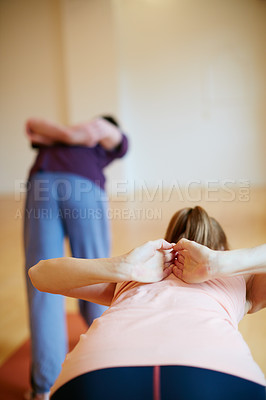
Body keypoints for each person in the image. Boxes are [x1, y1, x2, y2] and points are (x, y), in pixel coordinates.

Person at [29, 207, 266, 400]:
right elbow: (39, 275)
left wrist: (122, 267)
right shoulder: (242, 279)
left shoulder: (135, 277)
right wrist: (220, 264)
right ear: (223, 247)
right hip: (221, 374)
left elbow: (39, 274)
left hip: (97, 374)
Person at [24, 115, 129, 400]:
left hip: (43, 184)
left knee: (41, 282)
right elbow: (32, 125)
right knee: (96, 273)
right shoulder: (89, 140)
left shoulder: (110, 137)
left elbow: (41, 129)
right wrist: (75, 135)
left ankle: (44, 388)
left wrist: (60, 135)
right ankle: (105, 367)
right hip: (74, 187)